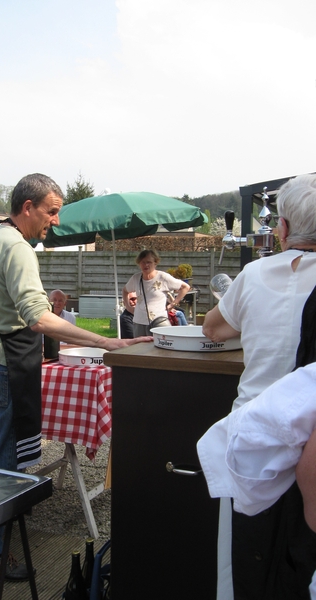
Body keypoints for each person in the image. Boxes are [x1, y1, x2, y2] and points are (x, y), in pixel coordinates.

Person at [0, 173, 151, 582]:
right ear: (28, 207)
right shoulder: (18, 247)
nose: (56, 221)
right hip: (4, 363)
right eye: (52, 211)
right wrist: (106, 342)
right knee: (3, 462)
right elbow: (39, 317)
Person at [201, 173, 316, 599]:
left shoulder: (254, 274)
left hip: (255, 435)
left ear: (281, 229)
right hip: (307, 437)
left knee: (242, 564)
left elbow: (214, 330)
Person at [122, 249, 190, 336]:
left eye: (149, 262)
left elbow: (185, 287)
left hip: (159, 319)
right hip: (139, 321)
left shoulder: (163, 277)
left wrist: (173, 303)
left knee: (164, 344)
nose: (145, 265)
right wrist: (128, 307)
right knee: (140, 348)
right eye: (142, 262)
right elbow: (125, 290)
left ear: (155, 262)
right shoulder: (136, 278)